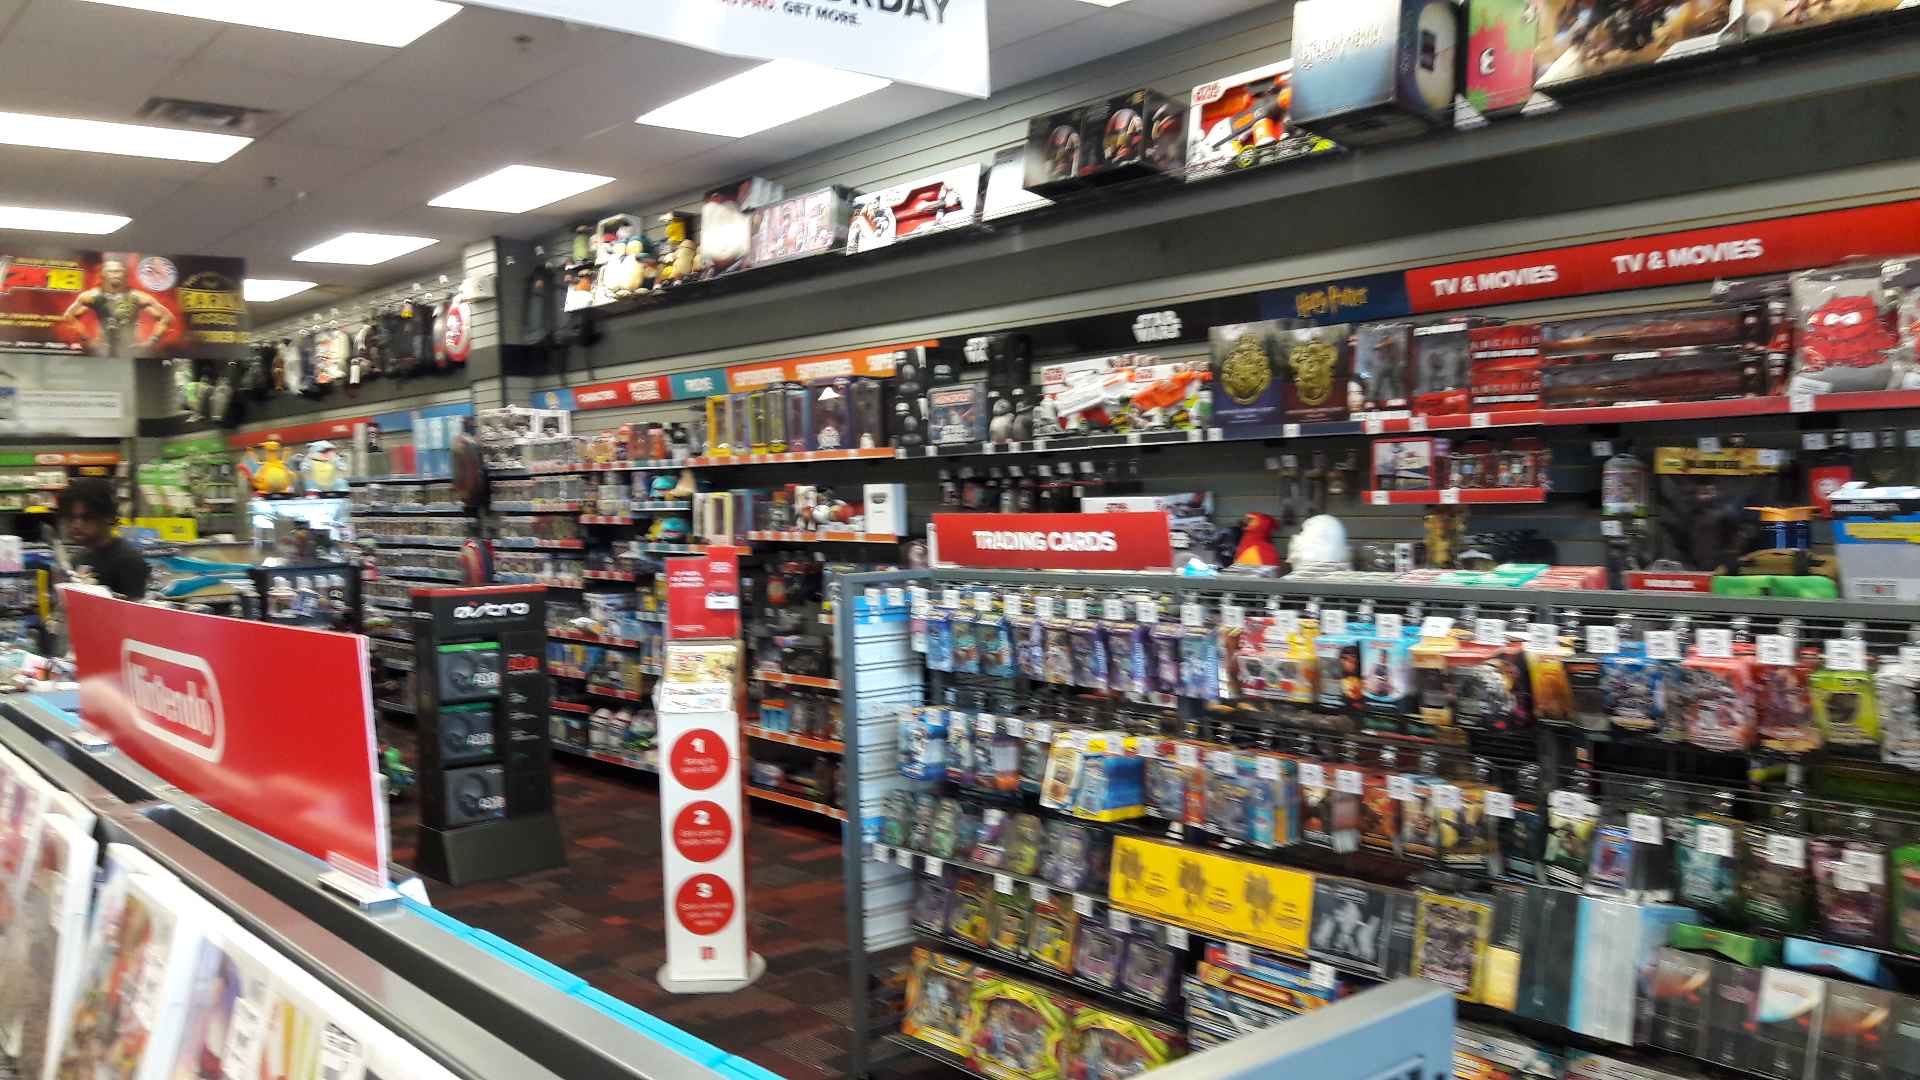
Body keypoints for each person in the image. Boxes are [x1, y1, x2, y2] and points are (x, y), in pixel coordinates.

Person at [61, 256, 174, 357]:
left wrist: (151, 342)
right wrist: (87, 339)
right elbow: (69, 316)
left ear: (125, 274)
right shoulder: (92, 295)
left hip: (131, 349)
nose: (115, 274)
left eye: (119, 271)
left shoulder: (139, 297)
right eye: (110, 271)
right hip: (102, 349)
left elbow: (167, 318)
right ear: (103, 274)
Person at [57, 479, 147, 599]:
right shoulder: (80, 558)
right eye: (70, 518)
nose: (76, 525)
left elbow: (136, 607)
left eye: (86, 517)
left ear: (105, 516)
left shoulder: (128, 561)